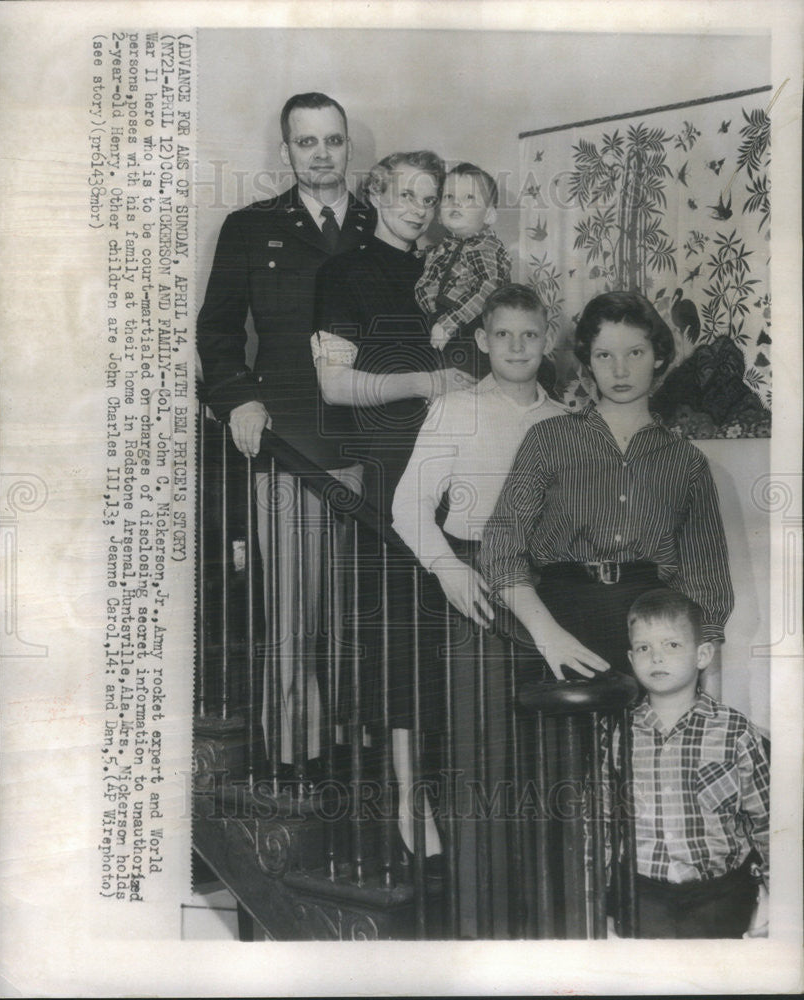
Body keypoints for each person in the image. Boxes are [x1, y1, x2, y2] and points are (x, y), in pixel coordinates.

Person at [196, 92, 373, 767]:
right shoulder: (249, 228)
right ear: (286, 151)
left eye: (333, 140)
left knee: (361, 614)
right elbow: (216, 333)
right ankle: (297, 765)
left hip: (373, 444)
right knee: (295, 616)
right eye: (307, 143)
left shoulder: (381, 222)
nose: (322, 154)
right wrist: (238, 400)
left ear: (347, 145)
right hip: (290, 446)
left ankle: (362, 762)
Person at [312, 150, 472, 861]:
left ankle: (458, 787)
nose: (417, 207)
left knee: (459, 631)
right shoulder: (345, 272)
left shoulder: (450, 273)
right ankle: (409, 799)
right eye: (404, 193)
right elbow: (335, 387)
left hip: (462, 469)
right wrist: (426, 383)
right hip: (389, 470)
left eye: (429, 197)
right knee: (404, 636)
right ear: (376, 194)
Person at [392, 282, 566, 935]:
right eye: (503, 335)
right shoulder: (455, 410)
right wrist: (447, 570)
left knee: (538, 754)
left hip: (543, 591)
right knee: (477, 753)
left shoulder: (564, 421)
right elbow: (407, 507)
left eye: (530, 334)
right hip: (473, 587)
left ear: (547, 340)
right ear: (482, 340)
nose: (517, 347)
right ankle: (474, 918)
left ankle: (532, 914)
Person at [480, 289, 735, 683]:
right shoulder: (548, 439)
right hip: (558, 619)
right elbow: (501, 549)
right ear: (588, 365)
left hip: (651, 630)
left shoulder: (687, 463)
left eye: (635, 353)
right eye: (604, 355)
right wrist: (548, 636)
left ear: (659, 358)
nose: (620, 371)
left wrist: (710, 708)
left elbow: (706, 591)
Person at [613, 588, 769, 938]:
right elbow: (604, 822)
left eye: (671, 645)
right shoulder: (618, 732)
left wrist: (783, 898)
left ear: (702, 655)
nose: (656, 658)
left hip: (720, 895)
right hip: (643, 894)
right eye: (643, 648)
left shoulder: (735, 731)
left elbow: (767, 822)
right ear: (631, 657)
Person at [414, 162, 512, 356]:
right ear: (440, 215)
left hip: (469, 326)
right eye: (449, 197)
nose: (456, 203)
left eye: (469, 197)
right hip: (438, 324)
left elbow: (488, 289)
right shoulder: (442, 249)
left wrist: (450, 322)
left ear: (489, 215)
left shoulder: (485, 248)